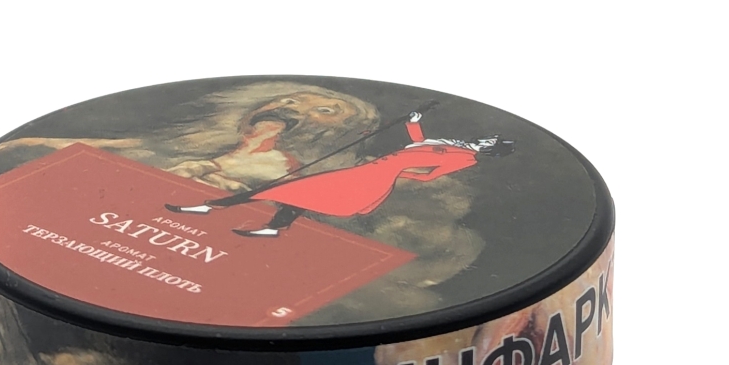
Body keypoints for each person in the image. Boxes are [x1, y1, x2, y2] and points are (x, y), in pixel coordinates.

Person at [166, 112, 514, 237]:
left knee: (291, 190)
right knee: (298, 192)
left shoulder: (465, 159)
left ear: (490, 151)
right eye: (490, 138)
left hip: (373, 178)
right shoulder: (454, 143)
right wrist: (414, 123)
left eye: (492, 143)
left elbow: (426, 175)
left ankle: (209, 207)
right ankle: (271, 228)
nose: (486, 141)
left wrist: (396, 174)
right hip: (366, 171)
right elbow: (419, 145)